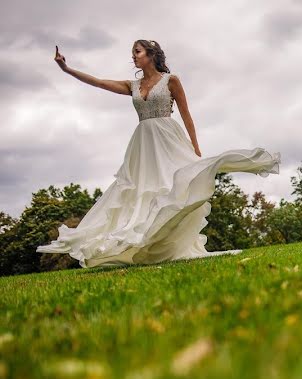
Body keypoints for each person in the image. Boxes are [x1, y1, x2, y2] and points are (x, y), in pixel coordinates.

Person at [36, 39, 281, 268]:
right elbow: (99, 82)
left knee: (171, 188)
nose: (133, 57)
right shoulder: (132, 85)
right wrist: (67, 69)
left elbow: (186, 115)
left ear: (151, 55)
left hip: (168, 139)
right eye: (132, 53)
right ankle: (148, 246)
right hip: (143, 145)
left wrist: (195, 148)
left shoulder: (170, 80)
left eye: (137, 52)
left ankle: (168, 243)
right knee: (140, 192)